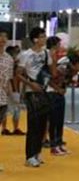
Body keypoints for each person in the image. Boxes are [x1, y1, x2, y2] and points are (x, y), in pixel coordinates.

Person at [17, 27, 51, 167]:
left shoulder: (46, 53)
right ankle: (29, 156)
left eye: (44, 36)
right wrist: (30, 84)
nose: (44, 38)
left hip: (44, 90)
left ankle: (37, 152)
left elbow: (50, 71)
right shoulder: (26, 54)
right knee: (33, 124)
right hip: (32, 92)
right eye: (42, 36)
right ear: (35, 39)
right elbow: (18, 74)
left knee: (43, 123)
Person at [46, 36, 69, 156]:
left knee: (59, 120)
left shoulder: (56, 57)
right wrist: (57, 88)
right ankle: (53, 145)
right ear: (54, 45)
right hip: (51, 91)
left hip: (58, 91)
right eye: (59, 44)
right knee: (53, 120)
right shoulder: (48, 56)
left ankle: (59, 143)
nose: (60, 46)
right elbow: (48, 76)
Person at [1, 45, 24, 135]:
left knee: (13, 109)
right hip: (10, 89)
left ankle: (10, 128)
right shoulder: (9, 64)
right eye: (15, 52)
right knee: (9, 109)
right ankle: (6, 128)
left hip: (12, 89)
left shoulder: (14, 64)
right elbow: (12, 78)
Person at [0, 33, 15, 138]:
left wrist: (11, 95)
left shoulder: (9, 59)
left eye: (5, 36)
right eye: (0, 36)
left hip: (3, 97)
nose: (2, 38)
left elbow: (9, 78)